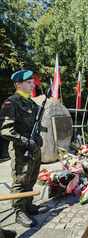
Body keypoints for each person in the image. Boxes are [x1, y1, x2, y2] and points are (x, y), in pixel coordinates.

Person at [0, 70, 45, 227]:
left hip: (33, 147)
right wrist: (25, 141)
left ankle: (28, 204)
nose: (32, 84)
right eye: (28, 82)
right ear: (18, 84)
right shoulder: (11, 103)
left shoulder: (32, 104)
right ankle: (19, 211)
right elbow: (5, 130)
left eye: (32, 82)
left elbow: (35, 126)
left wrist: (38, 138)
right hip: (21, 149)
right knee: (20, 179)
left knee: (32, 176)